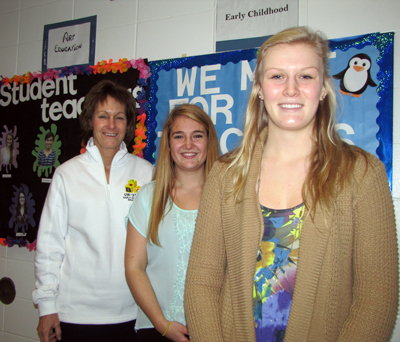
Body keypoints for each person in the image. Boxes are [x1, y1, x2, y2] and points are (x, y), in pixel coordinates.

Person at [184, 26, 398, 342]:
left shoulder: (363, 174)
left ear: (324, 88)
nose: (291, 89)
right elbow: (202, 282)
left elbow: (376, 296)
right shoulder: (226, 174)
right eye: (277, 76)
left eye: (306, 76)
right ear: (259, 87)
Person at [32, 80, 155, 342]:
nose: (111, 125)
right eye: (103, 116)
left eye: (119, 117)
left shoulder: (147, 173)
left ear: (128, 123)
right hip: (75, 315)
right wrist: (46, 307)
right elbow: (50, 245)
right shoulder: (66, 174)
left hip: (135, 311)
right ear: (90, 120)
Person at [125, 104, 220, 342]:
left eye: (197, 135)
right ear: (168, 143)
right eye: (179, 136)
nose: (188, 145)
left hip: (213, 330)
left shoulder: (227, 196)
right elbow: (134, 268)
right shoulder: (149, 196)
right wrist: (162, 324)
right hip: (157, 329)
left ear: (209, 141)